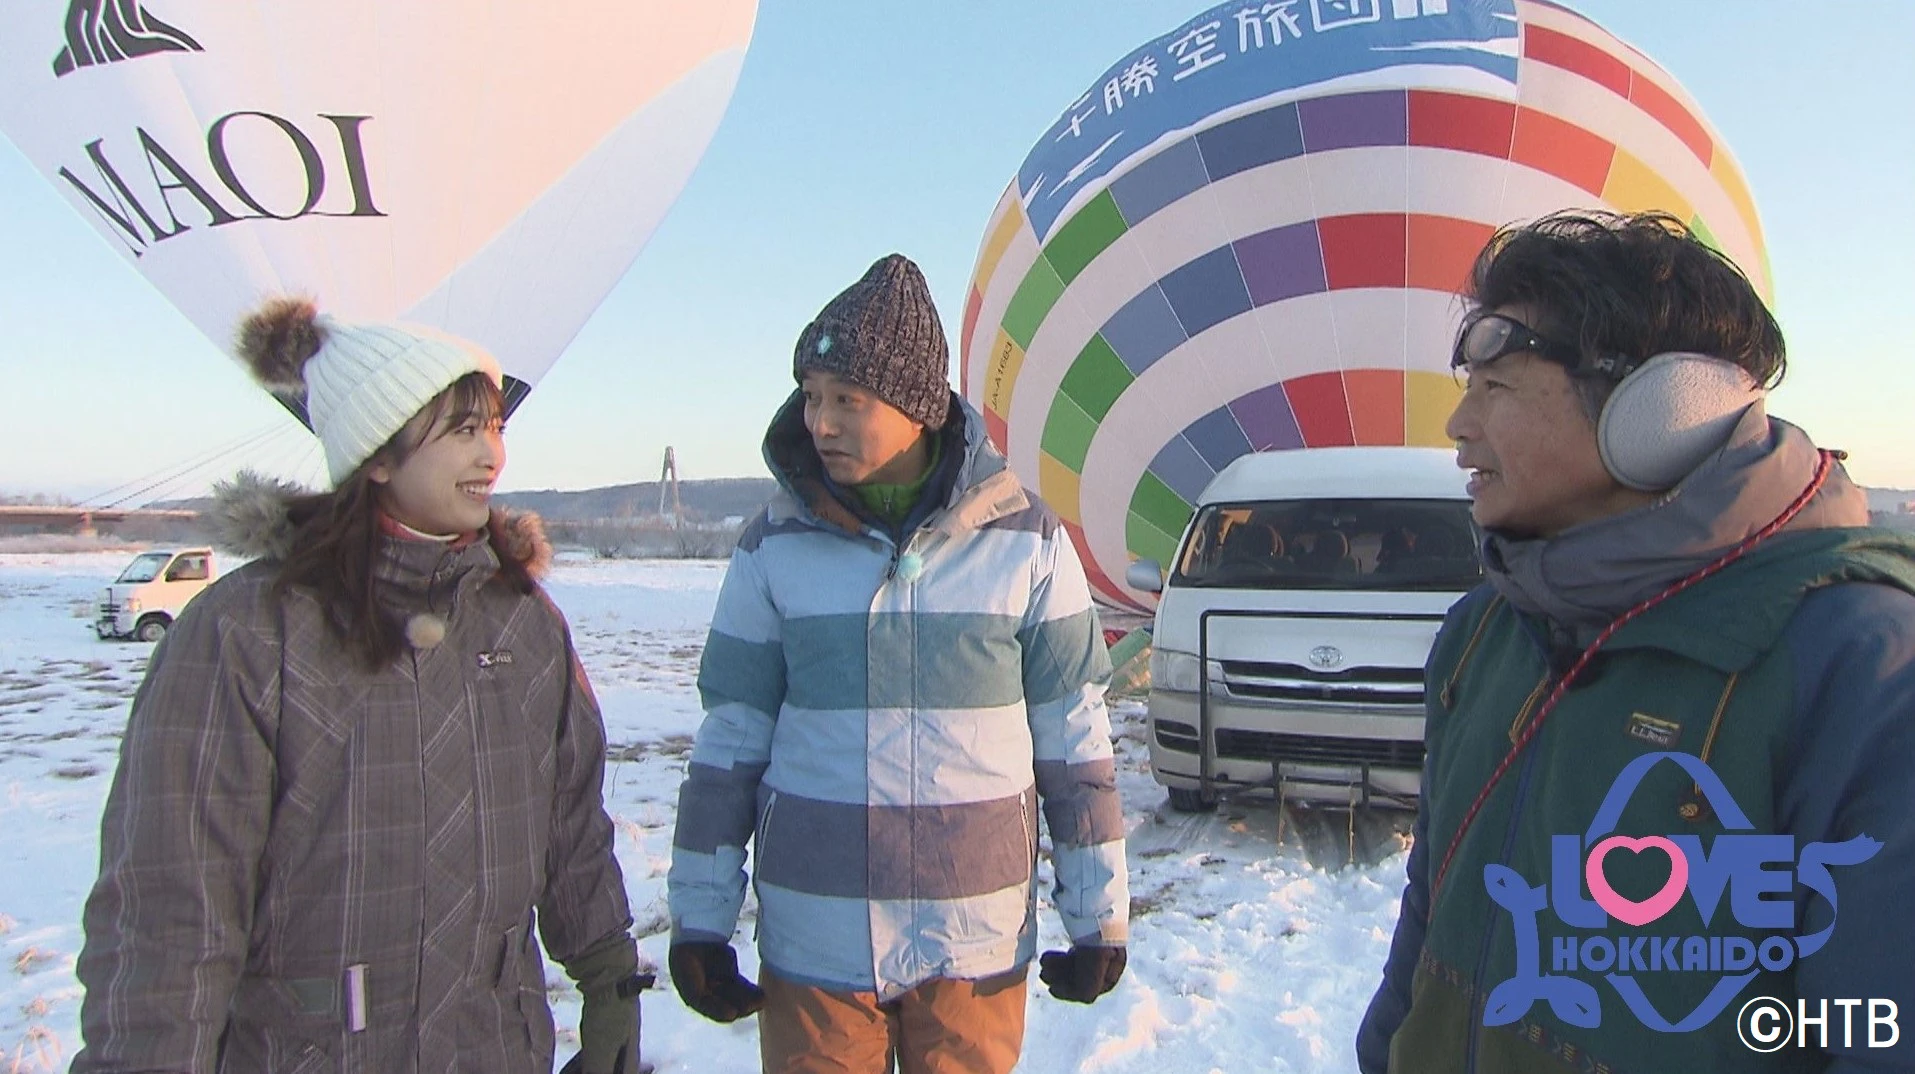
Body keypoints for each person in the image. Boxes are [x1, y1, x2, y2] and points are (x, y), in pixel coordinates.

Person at [1356, 211, 1915, 1073]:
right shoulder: (1486, 628)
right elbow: (1433, 908)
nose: (1457, 426)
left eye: (1495, 387)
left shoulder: (1863, 666)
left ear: (1660, 413)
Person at [71, 299, 647, 1074]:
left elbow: (571, 827)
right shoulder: (247, 631)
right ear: (376, 456)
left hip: (494, 1048)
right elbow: (172, 907)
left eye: (495, 428)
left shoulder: (522, 621)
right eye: (462, 431)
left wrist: (610, 981)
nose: (492, 456)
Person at [666, 254, 1129, 1074]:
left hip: (972, 939)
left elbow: (1072, 737)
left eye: (848, 399)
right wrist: (701, 919)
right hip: (815, 932)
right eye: (812, 396)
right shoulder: (773, 545)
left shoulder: (1025, 540)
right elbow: (730, 738)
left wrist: (1097, 916)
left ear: (918, 407)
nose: (821, 423)